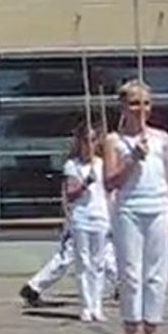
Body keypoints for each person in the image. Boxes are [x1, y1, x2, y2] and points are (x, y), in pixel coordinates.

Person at [103, 80, 168, 334]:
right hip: (129, 210)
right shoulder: (114, 140)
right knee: (131, 275)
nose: (141, 109)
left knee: (157, 275)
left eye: (146, 103)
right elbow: (110, 182)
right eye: (134, 103)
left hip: (159, 208)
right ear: (123, 106)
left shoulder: (162, 138)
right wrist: (132, 159)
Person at [63, 122, 110, 322]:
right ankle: (86, 305)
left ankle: (97, 305)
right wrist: (86, 183)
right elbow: (71, 194)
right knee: (83, 261)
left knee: (99, 262)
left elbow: (111, 189)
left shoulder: (103, 163)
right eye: (85, 140)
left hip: (101, 215)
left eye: (93, 140)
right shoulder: (72, 165)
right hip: (81, 216)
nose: (89, 145)